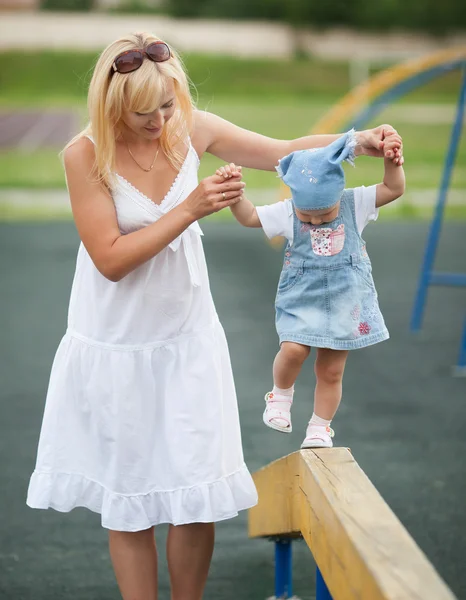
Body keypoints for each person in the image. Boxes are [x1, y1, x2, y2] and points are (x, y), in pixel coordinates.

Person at [26, 31, 403, 600]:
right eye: (142, 113)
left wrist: (357, 142)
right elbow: (110, 259)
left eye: (168, 106)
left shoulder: (192, 127)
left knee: (194, 494)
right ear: (111, 108)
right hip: (117, 345)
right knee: (129, 505)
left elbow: (283, 149)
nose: (159, 123)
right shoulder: (83, 156)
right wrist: (191, 207)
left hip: (188, 341)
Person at [221, 128, 405, 450]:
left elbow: (393, 188)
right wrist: (236, 195)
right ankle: (280, 395)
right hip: (302, 298)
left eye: (325, 215)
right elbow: (250, 217)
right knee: (293, 350)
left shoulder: (355, 204)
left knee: (331, 371)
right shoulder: (288, 212)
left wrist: (393, 162)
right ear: (294, 201)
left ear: (339, 196)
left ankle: (320, 427)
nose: (317, 223)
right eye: (308, 216)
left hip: (346, 301)